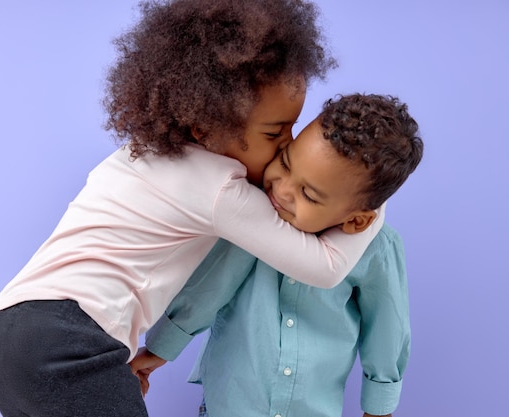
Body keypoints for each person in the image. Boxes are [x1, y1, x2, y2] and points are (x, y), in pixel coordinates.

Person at [0, 1, 386, 416]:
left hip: (9, 331)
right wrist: (371, 205)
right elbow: (324, 267)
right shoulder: (219, 190)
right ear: (205, 126)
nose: (288, 143)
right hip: (70, 341)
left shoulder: (140, 154)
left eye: (292, 126)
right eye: (274, 131)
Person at [132, 93, 424, 417]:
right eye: (285, 162)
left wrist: (379, 408)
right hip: (230, 405)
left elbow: (387, 328)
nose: (282, 190)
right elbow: (210, 286)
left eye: (308, 194)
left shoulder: (377, 250)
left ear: (357, 220)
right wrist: (160, 349)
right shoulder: (252, 215)